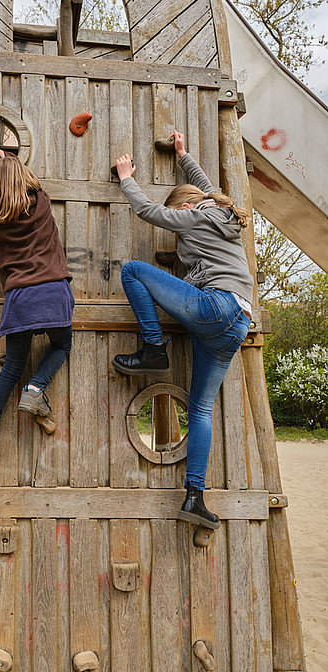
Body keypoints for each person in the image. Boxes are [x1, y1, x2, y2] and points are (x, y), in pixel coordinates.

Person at [113, 131, 253, 529]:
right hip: (235, 324)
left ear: (188, 208)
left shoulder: (198, 214)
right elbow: (207, 185)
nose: (180, 230)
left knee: (133, 271)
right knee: (200, 409)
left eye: (182, 222)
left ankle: (154, 349)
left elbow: (150, 213)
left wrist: (127, 178)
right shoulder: (220, 209)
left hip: (216, 306)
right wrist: (184, 155)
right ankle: (195, 497)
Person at [0, 149, 74, 469]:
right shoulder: (41, 203)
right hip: (54, 291)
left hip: (20, 297)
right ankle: (35, 389)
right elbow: (34, 184)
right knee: (61, 345)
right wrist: (10, 162)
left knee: (13, 365)